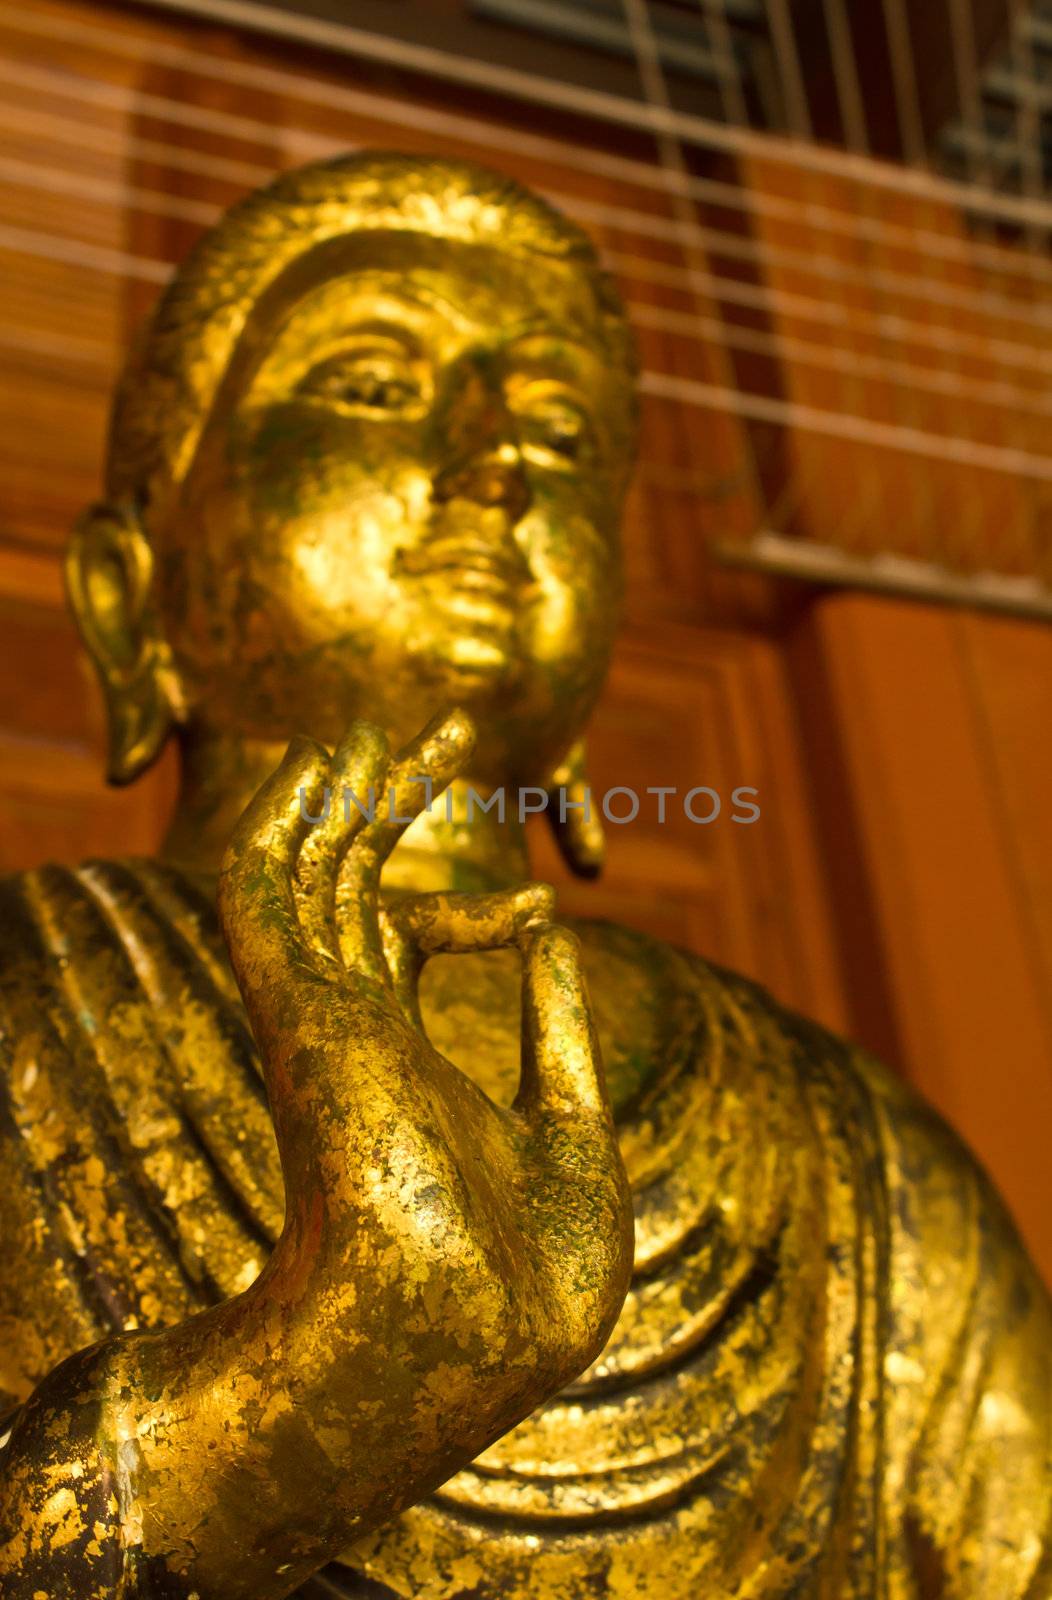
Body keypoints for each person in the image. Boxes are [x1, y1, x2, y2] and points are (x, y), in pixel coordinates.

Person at [0, 153, 1048, 1599]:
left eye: (562, 434)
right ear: (132, 604)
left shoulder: (856, 1166)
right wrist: (294, 1400)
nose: (496, 461)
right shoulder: (18, 1013)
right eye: (369, 385)